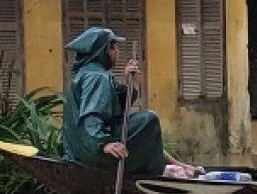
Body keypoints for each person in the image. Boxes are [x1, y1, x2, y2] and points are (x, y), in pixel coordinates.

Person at [62, 27, 200, 178]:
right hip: (90, 150)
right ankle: (158, 172)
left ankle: (177, 165)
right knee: (149, 119)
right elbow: (91, 116)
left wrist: (127, 82)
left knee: (146, 133)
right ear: (107, 49)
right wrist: (103, 144)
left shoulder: (89, 73)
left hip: (83, 147)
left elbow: (115, 108)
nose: (118, 53)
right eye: (116, 48)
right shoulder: (97, 77)